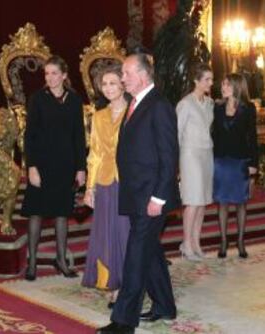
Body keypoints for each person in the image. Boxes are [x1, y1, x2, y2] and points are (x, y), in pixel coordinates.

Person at [97, 50, 179, 334]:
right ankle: (165, 306)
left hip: (151, 197)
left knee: (135, 257)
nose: (122, 79)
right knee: (150, 252)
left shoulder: (159, 106)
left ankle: (123, 322)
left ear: (142, 76)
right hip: (136, 194)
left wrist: (159, 197)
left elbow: (169, 156)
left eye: (127, 74)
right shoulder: (137, 103)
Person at [21, 55, 86, 281]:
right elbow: (30, 136)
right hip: (41, 164)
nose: (50, 77)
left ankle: (60, 260)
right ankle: (32, 263)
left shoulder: (75, 100)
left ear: (64, 75)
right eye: (46, 73)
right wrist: (32, 167)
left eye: (54, 73)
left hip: (66, 165)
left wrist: (81, 168)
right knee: (36, 213)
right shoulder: (38, 99)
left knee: (62, 213)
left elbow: (79, 136)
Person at [82, 64, 130, 308]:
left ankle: (125, 284)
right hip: (104, 182)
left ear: (123, 84)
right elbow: (95, 154)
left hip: (127, 182)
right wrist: (90, 189)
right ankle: (111, 282)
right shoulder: (98, 116)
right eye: (105, 84)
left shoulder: (133, 112)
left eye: (113, 83)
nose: (109, 88)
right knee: (106, 233)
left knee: (124, 233)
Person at [212, 73, 258, 259]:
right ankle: (223, 240)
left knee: (241, 204)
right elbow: (213, 136)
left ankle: (240, 241)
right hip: (221, 162)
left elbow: (252, 137)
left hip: (240, 162)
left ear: (237, 87)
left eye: (227, 85)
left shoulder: (248, 108)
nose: (223, 87)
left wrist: (254, 164)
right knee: (222, 203)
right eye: (222, 84)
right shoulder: (217, 107)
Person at [176, 63, 214, 261]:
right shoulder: (185, 104)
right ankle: (186, 243)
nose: (211, 83)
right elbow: (177, 134)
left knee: (202, 202)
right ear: (196, 81)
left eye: (211, 79)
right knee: (192, 201)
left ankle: (196, 242)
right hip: (189, 155)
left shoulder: (210, 103)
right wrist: (177, 165)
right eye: (207, 79)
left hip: (207, 154)